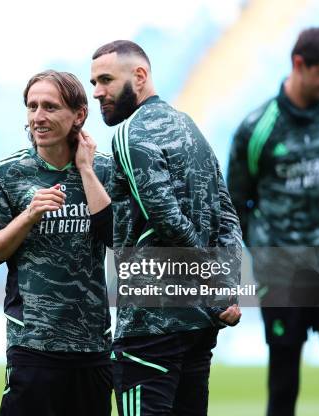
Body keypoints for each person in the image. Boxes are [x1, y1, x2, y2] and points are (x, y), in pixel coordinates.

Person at [90, 40, 242, 416]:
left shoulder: (129, 135)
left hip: (149, 326)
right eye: (94, 82)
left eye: (106, 80)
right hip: (198, 325)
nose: (97, 92)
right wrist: (225, 285)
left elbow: (168, 220)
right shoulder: (191, 129)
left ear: (139, 76)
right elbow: (228, 215)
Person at [228, 27, 319, 416]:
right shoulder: (256, 129)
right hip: (284, 272)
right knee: (284, 381)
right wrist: (268, 253)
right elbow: (237, 200)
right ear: (299, 64)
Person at [0, 70, 114, 416]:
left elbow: (115, 240)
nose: (38, 116)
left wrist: (86, 171)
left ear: (79, 115)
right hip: (33, 343)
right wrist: (28, 216)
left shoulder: (105, 170)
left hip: (92, 344)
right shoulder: (7, 173)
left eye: (50, 107)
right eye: (32, 106)